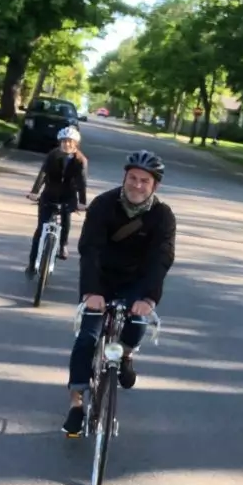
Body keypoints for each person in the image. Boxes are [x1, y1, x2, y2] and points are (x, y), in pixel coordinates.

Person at [62, 149, 176, 436]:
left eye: (144, 181)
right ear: (124, 178)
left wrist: (149, 298)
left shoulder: (162, 216)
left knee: (137, 325)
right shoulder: (103, 204)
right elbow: (89, 248)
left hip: (136, 282)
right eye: (132, 178)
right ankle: (76, 403)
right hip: (100, 279)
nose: (137, 185)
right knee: (87, 336)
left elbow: (161, 257)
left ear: (155, 186)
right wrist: (91, 292)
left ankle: (124, 355)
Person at [26, 125, 87, 272]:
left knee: (66, 219)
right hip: (49, 195)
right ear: (59, 142)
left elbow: (81, 182)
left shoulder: (80, 160)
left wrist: (82, 202)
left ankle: (63, 245)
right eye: (64, 141)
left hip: (68, 196)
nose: (66, 144)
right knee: (40, 230)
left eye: (70, 142)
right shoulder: (52, 155)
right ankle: (32, 263)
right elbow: (43, 174)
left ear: (75, 144)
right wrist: (35, 191)